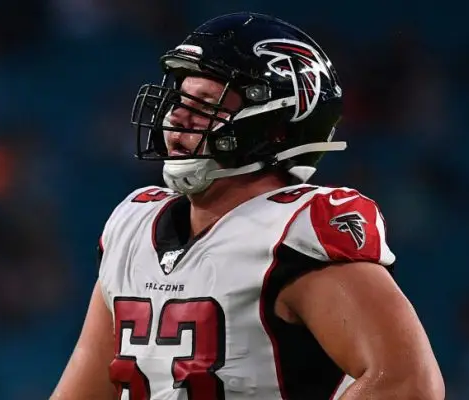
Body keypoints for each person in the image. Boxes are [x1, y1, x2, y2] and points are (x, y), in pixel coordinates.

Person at [52, 12, 444, 400]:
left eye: (206, 103)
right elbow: (85, 388)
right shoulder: (133, 226)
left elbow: (406, 383)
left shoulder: (293, 234)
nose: (177, 116)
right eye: (179, 99)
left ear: (272, 126)